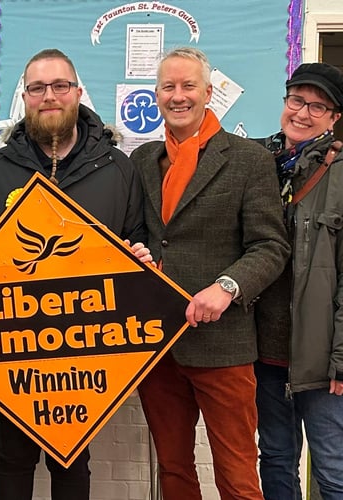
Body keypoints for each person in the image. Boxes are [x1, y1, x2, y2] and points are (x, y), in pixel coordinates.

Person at [0, 48, 149, 500]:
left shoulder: (117, 168)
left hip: (87, 348)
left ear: (78, 93)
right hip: (13, 344)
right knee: (13, 457)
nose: (50, 96)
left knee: (73, 459)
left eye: (60, 86)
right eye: (38, 88)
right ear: (24, 97)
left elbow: (139, 242)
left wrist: (141, 261)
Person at [129, 47, 291, 499]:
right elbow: (145, 234)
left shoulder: (248, 159)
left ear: (207, 92)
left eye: (188, 86)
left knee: (238, 477)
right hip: (159, 346)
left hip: (224, 347)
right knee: (174, 472)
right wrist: (134, 251)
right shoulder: (141, 161)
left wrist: (227, 287)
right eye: (168, 87)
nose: (177, 96)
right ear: (156, 94)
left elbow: (271, 245)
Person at [253, 62, 343, 499]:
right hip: (266, 352)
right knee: (275, 458)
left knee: (332, 469)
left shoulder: (340, 172)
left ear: (335, 117)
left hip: (321, 357)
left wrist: (342, 358)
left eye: (318, 106)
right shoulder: (256, 162)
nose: (303, 113)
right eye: (296, 101)